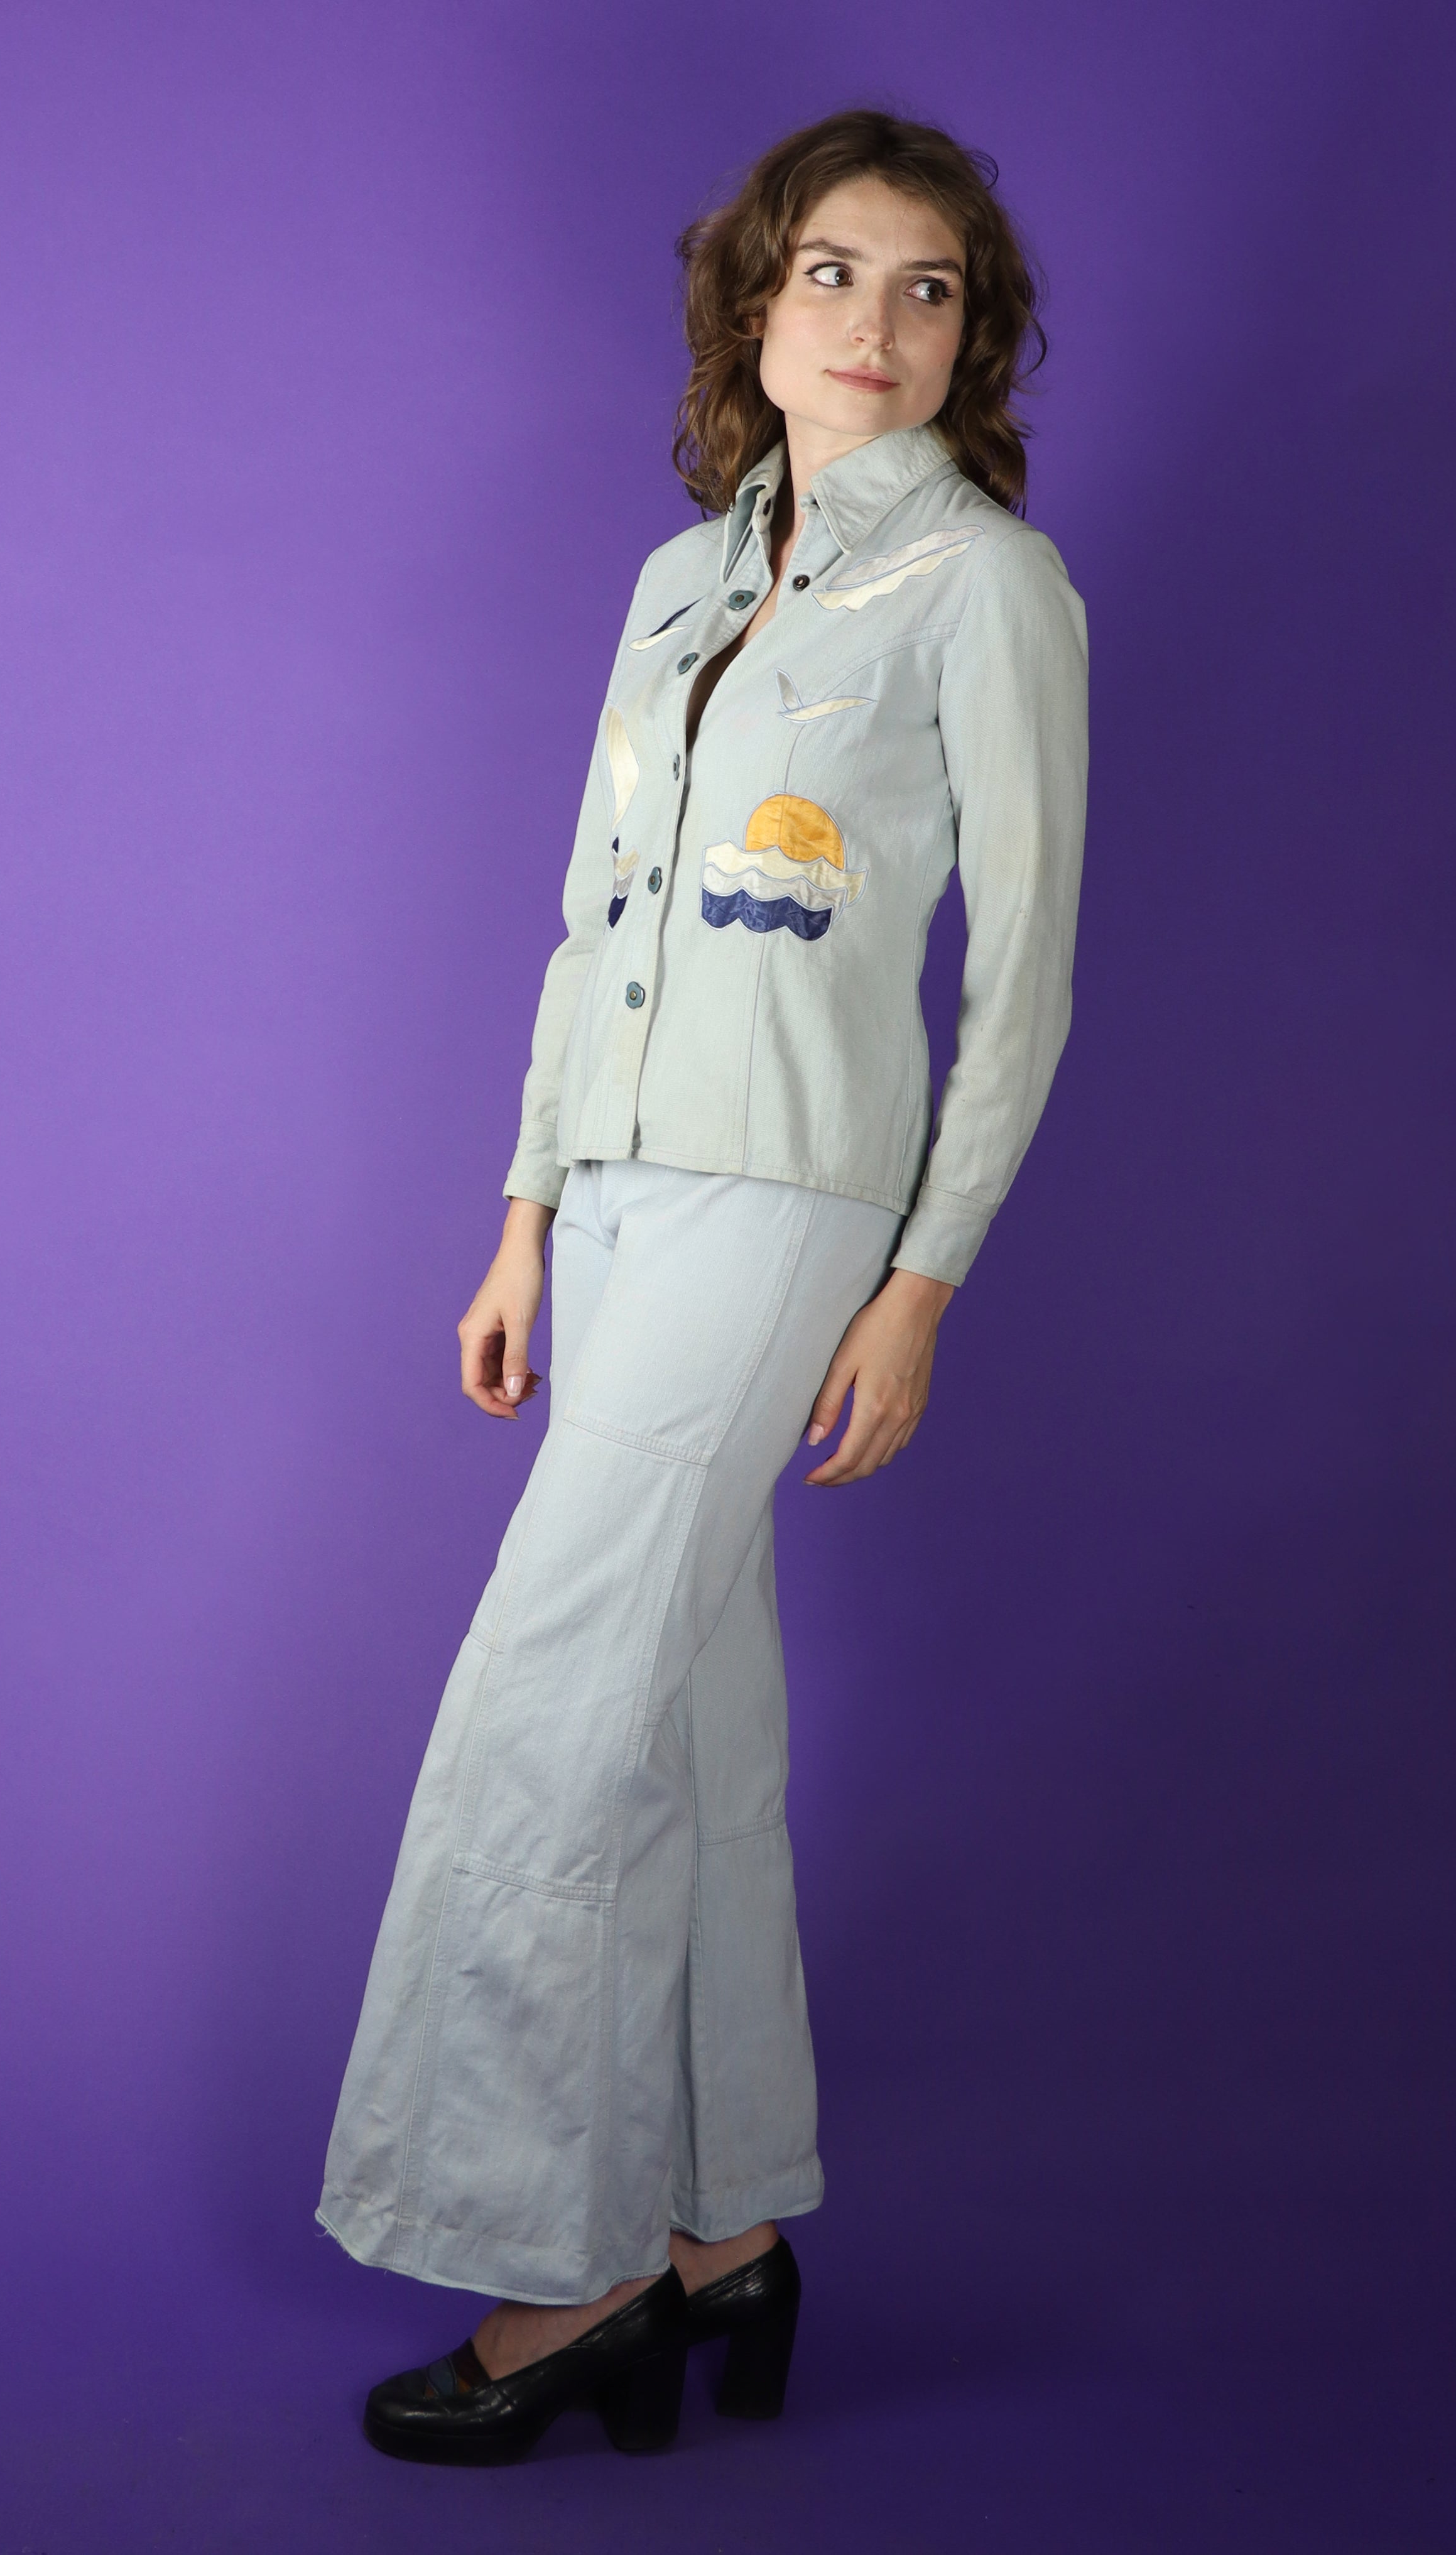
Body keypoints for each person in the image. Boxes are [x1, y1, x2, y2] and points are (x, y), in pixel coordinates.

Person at [318, 106, 1089, 2466]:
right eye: (832, 272)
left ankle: (562, 2276)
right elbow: (594, 924)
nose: (874, 322)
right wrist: (528, 1211)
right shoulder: (680, 582)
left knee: (551, 1707)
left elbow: (1025, 982)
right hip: (629, 1201)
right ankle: (724, 2227)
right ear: (756, 304)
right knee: (689, 1736)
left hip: (786, 1203)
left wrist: (922, 1280)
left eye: (928, 287)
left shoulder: (987, 589)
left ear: (970, 338)